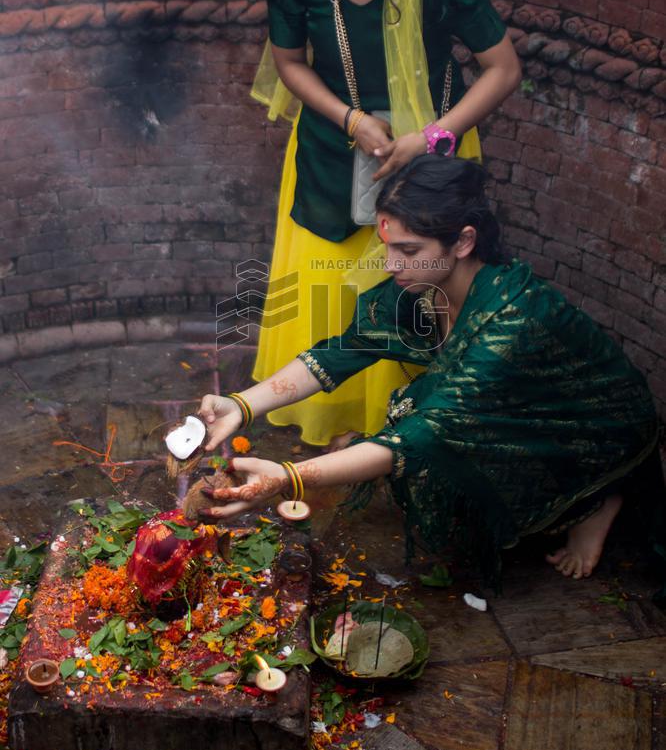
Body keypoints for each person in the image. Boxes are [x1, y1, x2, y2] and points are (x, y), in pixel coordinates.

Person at [198, 157, 661, 585]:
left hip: (597, 427)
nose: (391, 264)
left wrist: (288, 478)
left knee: (430, 439)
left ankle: (595, 500)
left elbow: (422, 436)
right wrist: (241, 405)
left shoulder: (511, 319)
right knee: (430, 440)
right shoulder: (420, 286)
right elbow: (343, 352)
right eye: (388, 247)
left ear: (463, 241)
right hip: (522, 406)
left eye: (408, 249)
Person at [250, 0, 522, 448]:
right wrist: (352, 121)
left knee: (417, 284)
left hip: (433, 151)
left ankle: (404, 428)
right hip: (332, 146)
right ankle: (340, 421)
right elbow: (290, 63)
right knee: (330, 284)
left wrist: (429, 137)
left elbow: (502, 70)